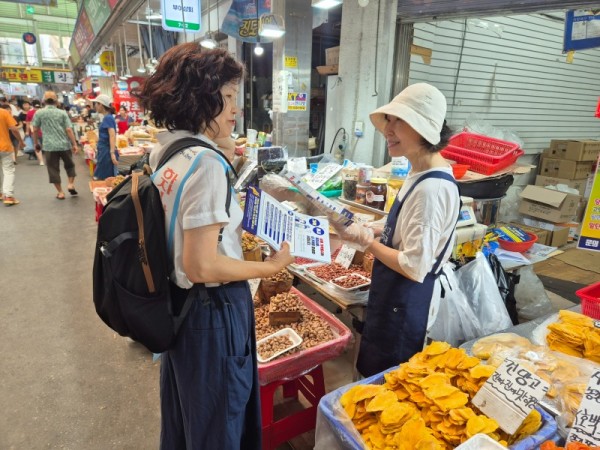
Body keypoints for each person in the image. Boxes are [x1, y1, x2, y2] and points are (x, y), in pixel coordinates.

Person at [137, 43, 294, 450]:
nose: (234, 109)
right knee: (219, 419)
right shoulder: (204, 165)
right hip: (212, 312)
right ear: (197, 98)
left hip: (181, 309)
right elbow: (202, 265)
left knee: (189, 413)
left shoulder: (168, 150)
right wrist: (270, 267)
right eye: (224, 98)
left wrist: (221, 146)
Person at [331, 83, 460, 377]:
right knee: (375, 375)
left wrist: (368, 243)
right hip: (391, 297)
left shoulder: (433, 189)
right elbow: (402, 225)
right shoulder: (420, 172)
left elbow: (414, 266)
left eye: (398, 121)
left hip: (407, 302)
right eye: (388, 121)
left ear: (423, 128)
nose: (388, 130)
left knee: (391, 383)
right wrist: (369, 227)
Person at [31, 91, 79, 199]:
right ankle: (70, 184)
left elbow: (34, 129)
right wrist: (74, 144)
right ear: (56, 101)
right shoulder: (62, 113)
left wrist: (36, 143)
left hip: (49, 146)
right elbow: (68, 129)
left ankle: (61, 193)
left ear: (43, 101)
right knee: (70, 165)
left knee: (53, 169)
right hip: (64, 145)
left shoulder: (39, 113)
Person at [0, 104, 25, 205]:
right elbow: (14, 129)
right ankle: (8, 196)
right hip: (4, 147)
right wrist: (21, 141)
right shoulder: (4, 112)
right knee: (8, 171)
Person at [92, 95, 118, 180]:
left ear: (101, 105)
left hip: (106, 152)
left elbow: (112, 135)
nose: (95, 105)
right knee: (104, 178)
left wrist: (112, 153)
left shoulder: (108, 118)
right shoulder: (107, 117)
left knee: (105, 178)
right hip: (104, 150)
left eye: (96, 103)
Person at [25, 99, 44, 165]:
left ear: (32, 105)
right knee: (46, 145)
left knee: (36, 145)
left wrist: (27, 131)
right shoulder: (43, 112)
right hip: (45, 131)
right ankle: (49, 159)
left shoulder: (29, 113)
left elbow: (28, 123)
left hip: (34, 131)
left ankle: (41, 161)